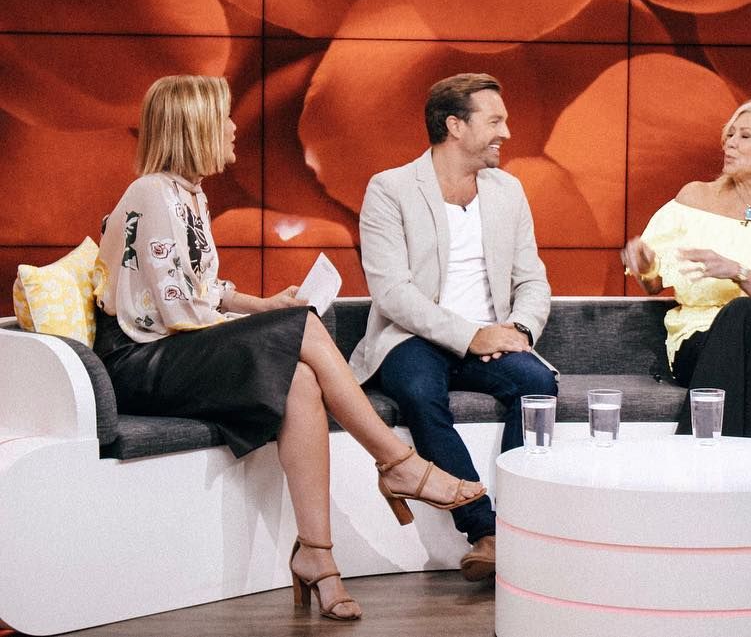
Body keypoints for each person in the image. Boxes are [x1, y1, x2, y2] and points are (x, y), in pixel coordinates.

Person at [92, 75, 486, 621]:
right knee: (301, 330)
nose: (234, 128)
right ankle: (398, 463)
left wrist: (263, 307)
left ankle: (317, 557)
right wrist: (270, 329)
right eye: (223, 118)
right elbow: (179, 312)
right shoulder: (152, 192)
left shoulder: (189, 194)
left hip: (172, 349)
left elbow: (202, 288)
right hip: (140, 360)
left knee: (300, 378)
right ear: (194, 126)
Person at [351, 73, 556, 581]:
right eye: (495, 121)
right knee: (419, 391)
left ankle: (518, 525)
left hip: (494, 335)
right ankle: (484, 531)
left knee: (538, 385)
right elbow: (392, 292)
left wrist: (519, 330)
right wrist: (470, 336)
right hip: (413, 337)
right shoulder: (391, 189)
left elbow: (533, 280)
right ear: (455, 126)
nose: (506, 132)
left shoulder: (508, 190)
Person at [622, 98, 751, 440]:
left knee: (743, 310)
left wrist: (738, 271)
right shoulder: (694, 199)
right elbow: (653, 282)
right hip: (700, 339)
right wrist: (644, 265)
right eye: (729, 135)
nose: (730, 143)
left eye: (745, 136)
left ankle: (693, 453)